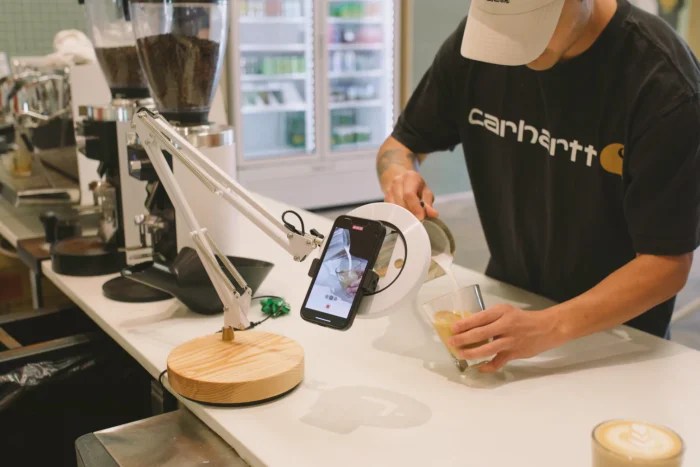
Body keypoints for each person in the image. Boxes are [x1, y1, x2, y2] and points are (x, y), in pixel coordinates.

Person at [377, 0, 699, 372]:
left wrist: (549, 326)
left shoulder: (663, 84)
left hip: (618, 339)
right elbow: (401, 145)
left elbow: (666, 263)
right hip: (509, 304)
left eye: (532, 26)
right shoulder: (479, 45)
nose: (516, 51)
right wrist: (399, 177)